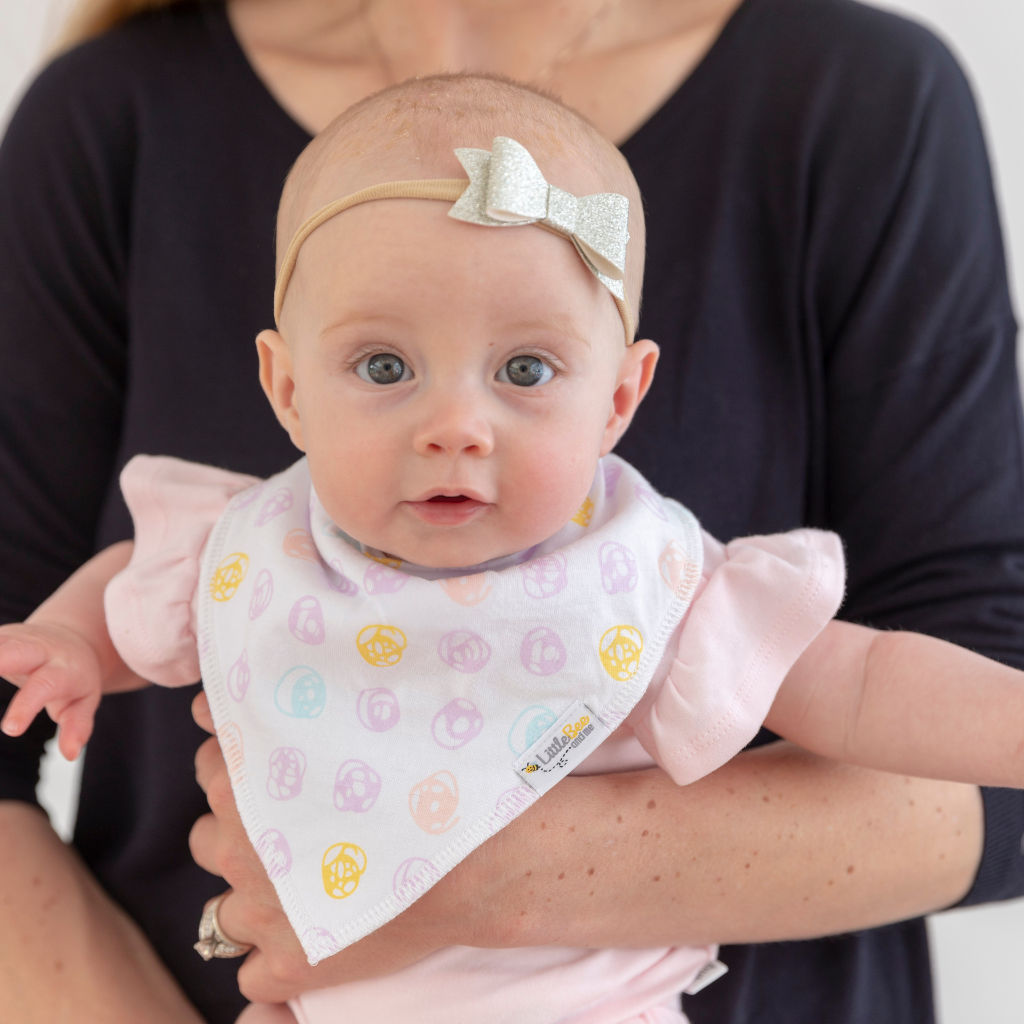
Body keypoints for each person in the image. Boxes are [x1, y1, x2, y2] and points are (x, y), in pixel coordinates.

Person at [0, 2, 1020, 1023]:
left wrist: (469, 879)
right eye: (386, 366)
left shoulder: (648, 579)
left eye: (524, 369)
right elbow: (127, 588)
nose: (456, 426)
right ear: (286, 387)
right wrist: (69, 641)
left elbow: (865, 683)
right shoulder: (249, 543)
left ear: (622, 397)